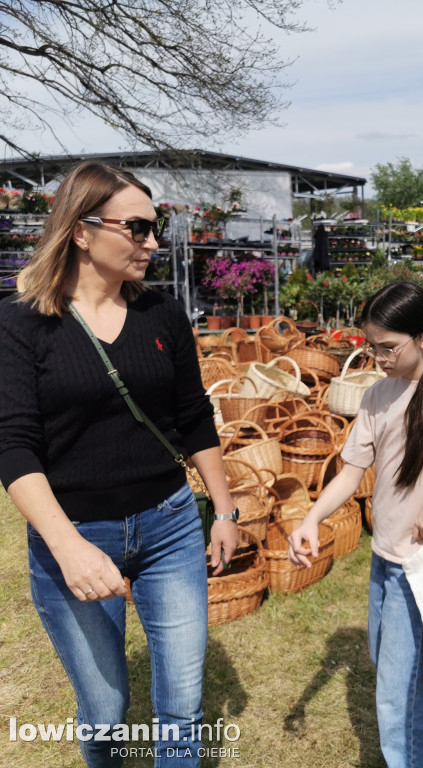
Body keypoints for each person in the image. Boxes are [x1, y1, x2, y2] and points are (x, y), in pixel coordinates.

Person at [0, 161, 239, 767]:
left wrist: (226, 510)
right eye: (137, 228)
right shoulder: (22, 323)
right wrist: (66, 546)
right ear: (81, 231)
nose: (152, 243)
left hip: (170, 528)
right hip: (76, 534)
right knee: (106, 716)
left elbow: (193, 417)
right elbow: (13, 444)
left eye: (155, 228)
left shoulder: (162, 315)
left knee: (182, 709)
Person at [287, 281, 423, 768]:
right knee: (392, 665)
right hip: (386, 558)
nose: (379, 358)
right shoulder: (377, 395)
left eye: (388, 347)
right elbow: (352, 471)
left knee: (399, 695)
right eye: (372, 347)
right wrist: (312, 516)